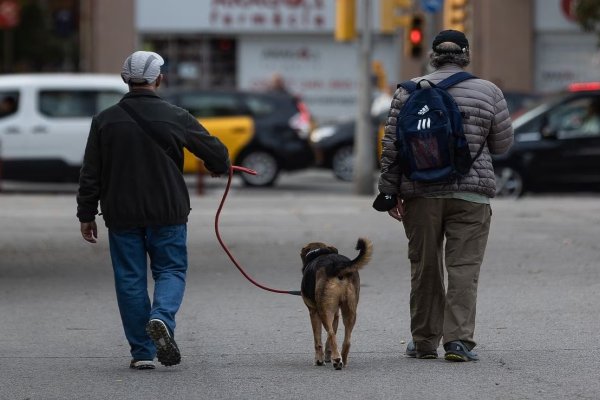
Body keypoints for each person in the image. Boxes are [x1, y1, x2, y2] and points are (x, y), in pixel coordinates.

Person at [76, 51, 230, 370]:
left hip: (121, 212)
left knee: (129, 277)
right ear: (158, 79)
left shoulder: (104, 120)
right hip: (167, 210)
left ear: (125, 81)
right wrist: (218, 166)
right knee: (170, 270)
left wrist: (86, 214)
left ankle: (143, 352)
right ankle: (160, 319)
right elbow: (216, 151)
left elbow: (91, 172)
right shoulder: (175, 115)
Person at [375, 30, 513, 361]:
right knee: (463, 268)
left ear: (433, 55)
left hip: (420, 194)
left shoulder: (407, 92)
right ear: (465, 55)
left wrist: (389, 192)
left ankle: (423, 341)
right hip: (472, 195)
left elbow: (392, 147)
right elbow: (503, 146)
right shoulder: (488, 91)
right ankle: (458, 342)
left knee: (425, 267)